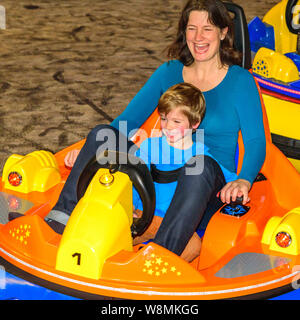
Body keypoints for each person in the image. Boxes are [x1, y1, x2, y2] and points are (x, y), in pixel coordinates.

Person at [10, 0, 266, 260]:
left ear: (223, 32)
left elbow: (256, 141)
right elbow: (126, 121)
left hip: (206, 181)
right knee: (102, 135)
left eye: (208, 29)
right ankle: (59, 223)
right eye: (192, 28)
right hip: (158, 171)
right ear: (184, 31)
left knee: (197, 165)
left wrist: (243, 179)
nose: (198, 38)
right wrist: (90, 149)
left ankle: (162, 255)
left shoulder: (240, 81)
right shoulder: (169, 72)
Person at [131, 83, 237, 261]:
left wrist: (239, 184)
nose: (168, 127)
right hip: (144, 216)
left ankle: (154, 263)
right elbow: (135, 179)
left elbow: (228, 179)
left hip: (174, 224)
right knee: (114, 227)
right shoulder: (149, 145)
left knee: (194, 246)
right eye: (164, 119)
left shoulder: (200, 153)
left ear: (194, 123)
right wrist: (132, 208)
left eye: (176, 121)